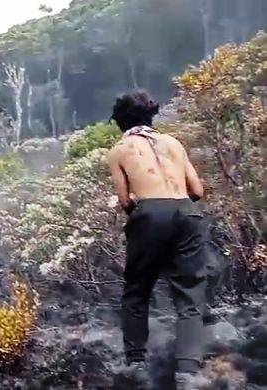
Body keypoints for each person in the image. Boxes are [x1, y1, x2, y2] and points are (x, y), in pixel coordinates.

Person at [106, 90, 210, 388]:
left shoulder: (120, 150)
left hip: (150, 214)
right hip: (187, 212)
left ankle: (136, 362)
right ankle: (188, 370)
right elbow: (198, 191)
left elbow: (125, 199)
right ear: (151, 115)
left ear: (120, 122)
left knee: (137, 290)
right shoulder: (174, 143)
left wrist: (147, 215)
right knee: (190, 291)